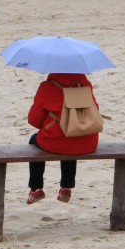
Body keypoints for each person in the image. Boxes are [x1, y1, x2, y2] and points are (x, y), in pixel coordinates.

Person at [25, 72, 100, 204]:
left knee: (35, 140)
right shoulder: (84, 84)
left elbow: (34, 120)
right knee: (72, 137)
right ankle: (66, 187)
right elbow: (95, 109)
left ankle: (36, 188)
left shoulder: (47, 87)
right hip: (87, 140)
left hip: (55, 141)